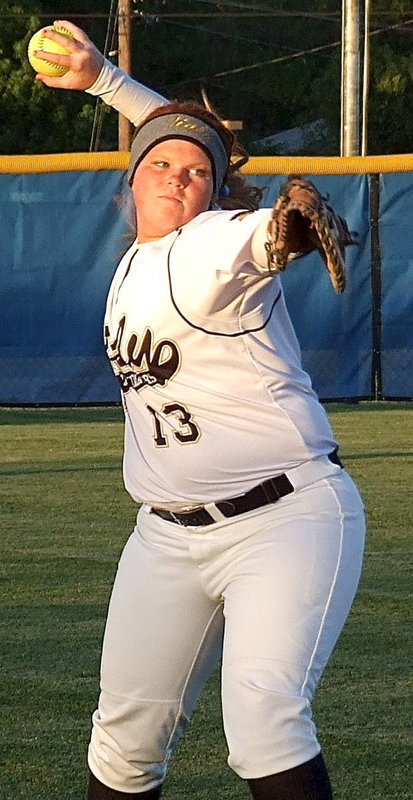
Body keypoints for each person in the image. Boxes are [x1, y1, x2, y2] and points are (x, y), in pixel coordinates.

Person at [34, 23, 366, 800]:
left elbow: (262, 235)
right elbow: (180, 138)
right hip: (164, 538)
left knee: (264, 722)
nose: (177, 176)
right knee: (123, 742)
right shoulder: (131, 265)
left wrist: (284, 226)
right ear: (130, 182)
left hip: (285, 520)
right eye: (160, 166)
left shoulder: (213, 241)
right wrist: (100, 78)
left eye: (196, 174)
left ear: (214, 194)